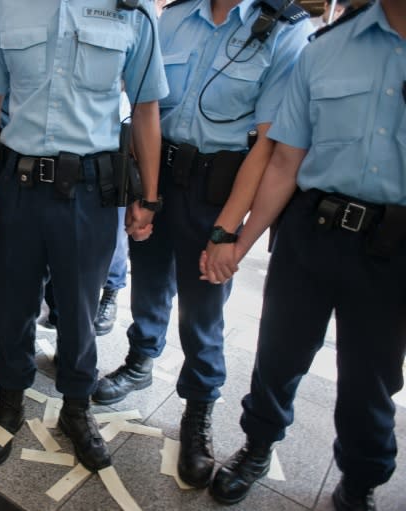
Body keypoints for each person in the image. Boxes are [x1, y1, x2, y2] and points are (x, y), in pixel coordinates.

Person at [91, 0, 313, 489]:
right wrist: (142, 190)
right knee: (147, 281)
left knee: (204, 304)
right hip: (159, 174)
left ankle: (198, 406)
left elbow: (268, 145)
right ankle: (139, 361)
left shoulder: (284, 29)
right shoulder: (171, 18)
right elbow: (144, 108)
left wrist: (227, 230)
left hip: (217, 188)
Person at [207, 1, 406, 509]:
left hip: (395, 250)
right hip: (311, 233)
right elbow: (284, 161)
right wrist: (236, 242)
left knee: (371, 378)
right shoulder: (327, 47)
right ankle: (257, 445)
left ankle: (360, 483)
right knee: (279, 352)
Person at [0, 0, 168, 472]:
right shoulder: (2, 7)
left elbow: (145, 110)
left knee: (80, 309)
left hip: (89, 190)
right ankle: (9, 401)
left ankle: (77, 408)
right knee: (14, 303)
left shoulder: (133, 10)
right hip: (17, 185)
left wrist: (149, 196)